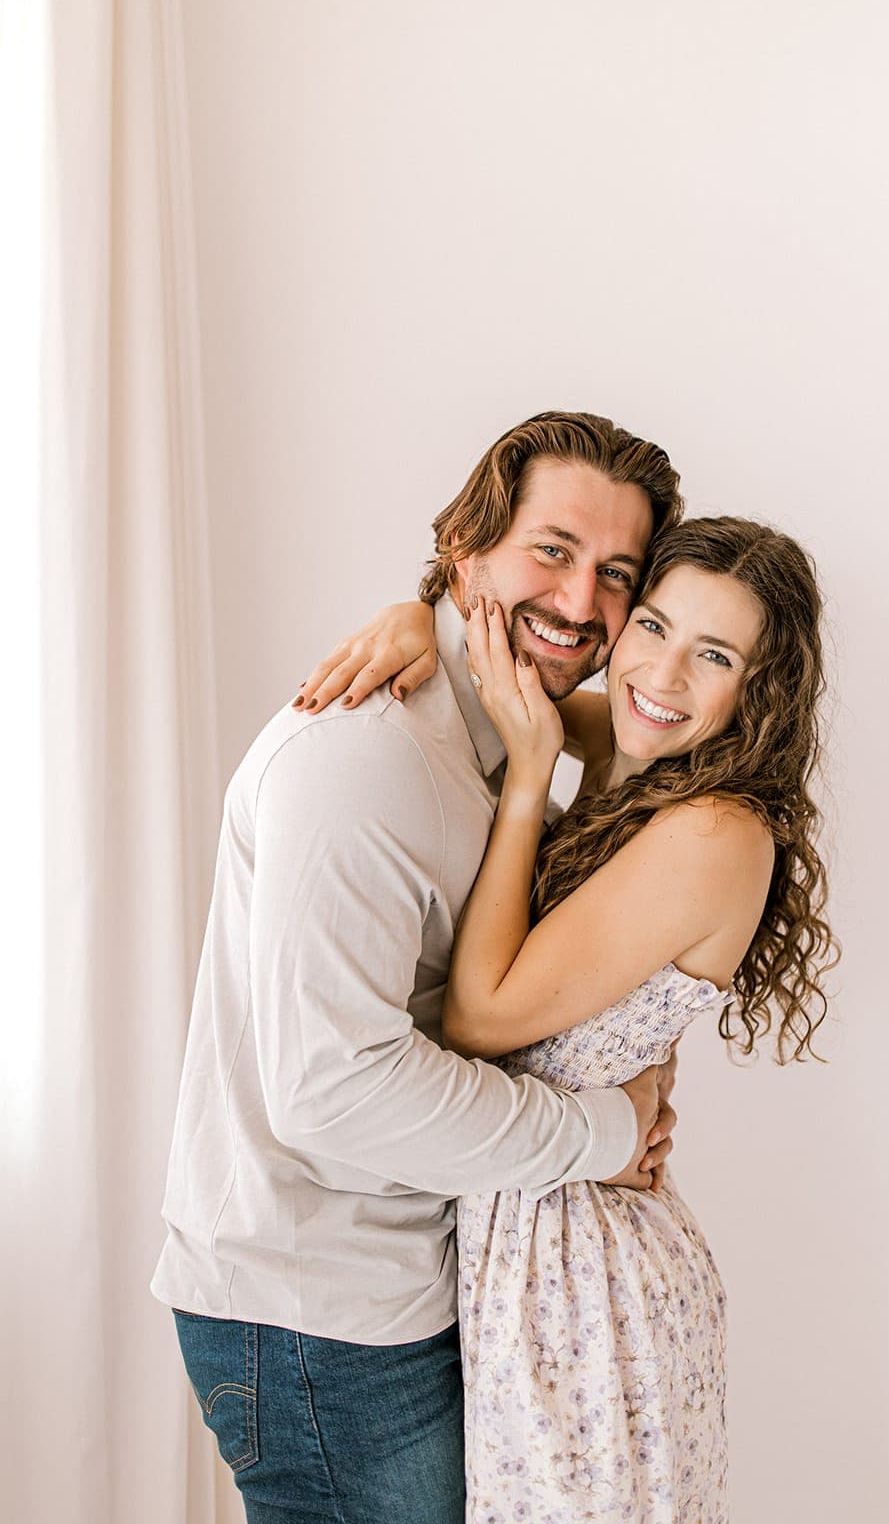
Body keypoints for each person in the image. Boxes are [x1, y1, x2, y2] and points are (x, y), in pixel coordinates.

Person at [151, 411, 686, 1523]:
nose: (581, 602)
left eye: (614, 574)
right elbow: (332, 1089)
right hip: (318, 1321)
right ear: (465, 542)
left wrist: (425, 617)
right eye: (551, 549)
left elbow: (656, 722)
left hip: (390, 1294)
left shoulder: (506, 726)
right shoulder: (362, 758)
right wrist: (603, 1132)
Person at [306, 515, 837, 1521]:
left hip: (583, 1285)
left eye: (712, 654)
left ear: (756, 695)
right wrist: (416, 623)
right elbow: (500, 685)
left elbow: (477, 1015)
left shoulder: (712, 831)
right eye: (651, 625)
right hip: (537, 1234)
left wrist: (524, 779)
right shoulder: (648, 758)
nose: (662, 674)